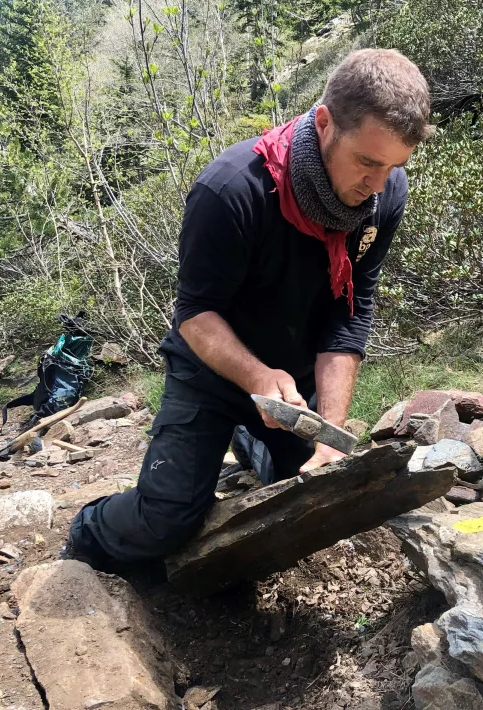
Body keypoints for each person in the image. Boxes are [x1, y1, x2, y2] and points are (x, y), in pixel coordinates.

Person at [62, 48, 432, 568]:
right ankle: (86, 530)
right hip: (210, 375)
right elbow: (194, 314)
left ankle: (255, 442)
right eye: (368, 162)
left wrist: (331, 429)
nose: (378, 184)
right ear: (324, 123)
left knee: (318, 498)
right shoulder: (231, 190)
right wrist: (256, 377)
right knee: (166, 521)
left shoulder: (385, 193)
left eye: (394, 166)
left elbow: (350, 309)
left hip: (294, 388)